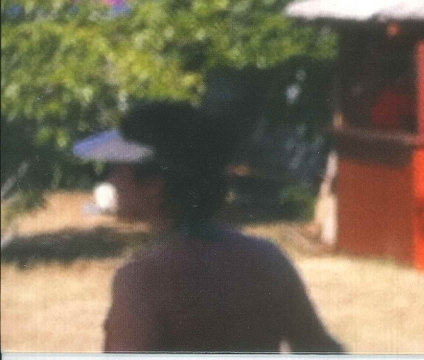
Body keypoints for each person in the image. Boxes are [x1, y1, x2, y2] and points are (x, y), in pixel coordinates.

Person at [74, 100, 345, 353]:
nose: (112, 179)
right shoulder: (267, 260)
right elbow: (321, 349)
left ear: (155, 185)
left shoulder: (143, 280)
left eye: (117, 169)